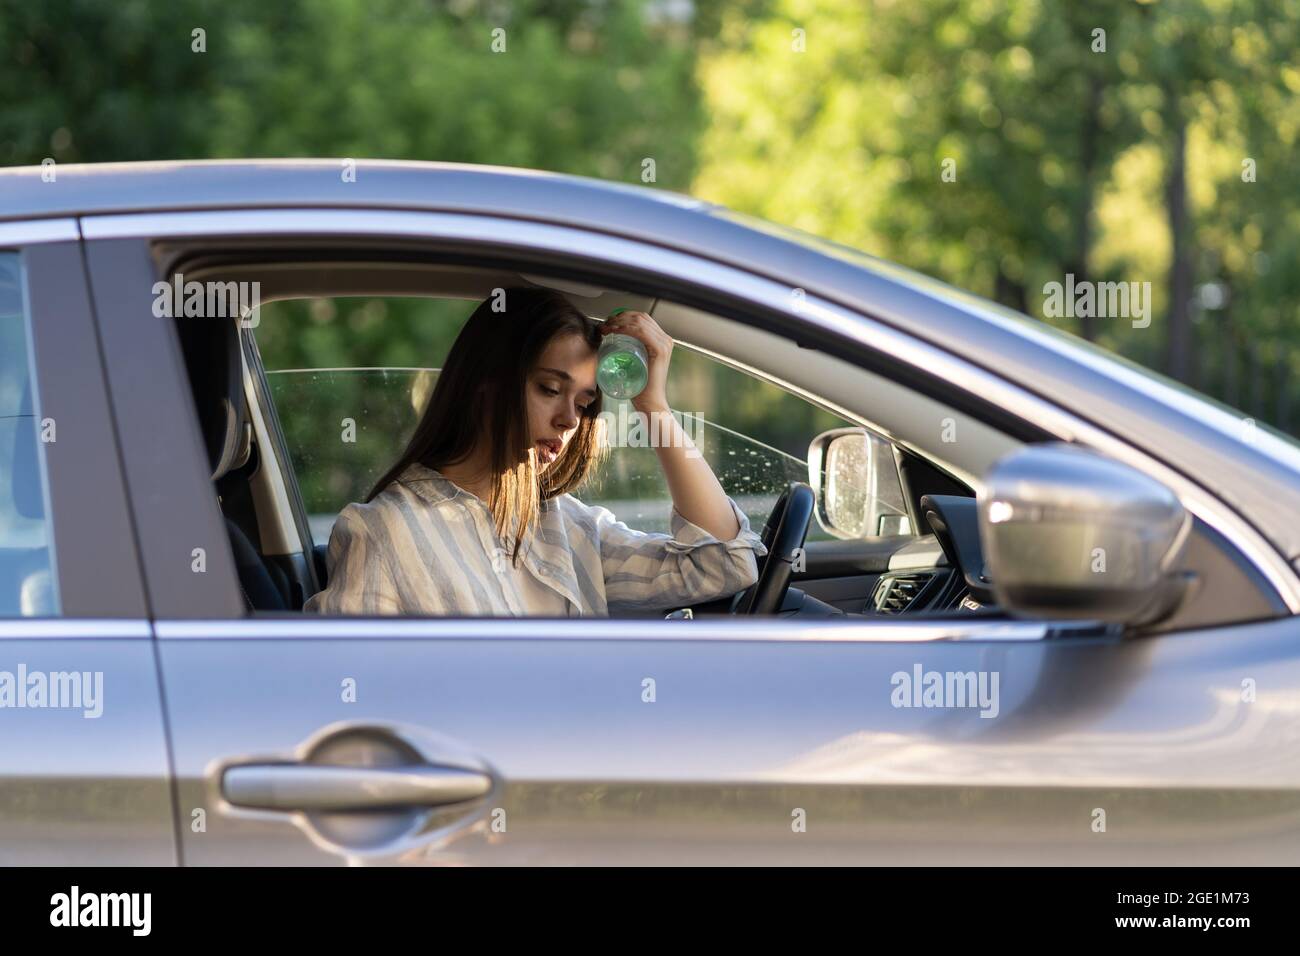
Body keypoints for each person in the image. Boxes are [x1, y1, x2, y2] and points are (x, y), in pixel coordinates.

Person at [304, 287, 766, 616]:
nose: (570, 420)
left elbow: (721, 564)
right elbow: (350, 700)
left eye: (585, 405)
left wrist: (654, 405)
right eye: (549, 388)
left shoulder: (567, 526)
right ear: (485, 386)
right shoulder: (385, 532)